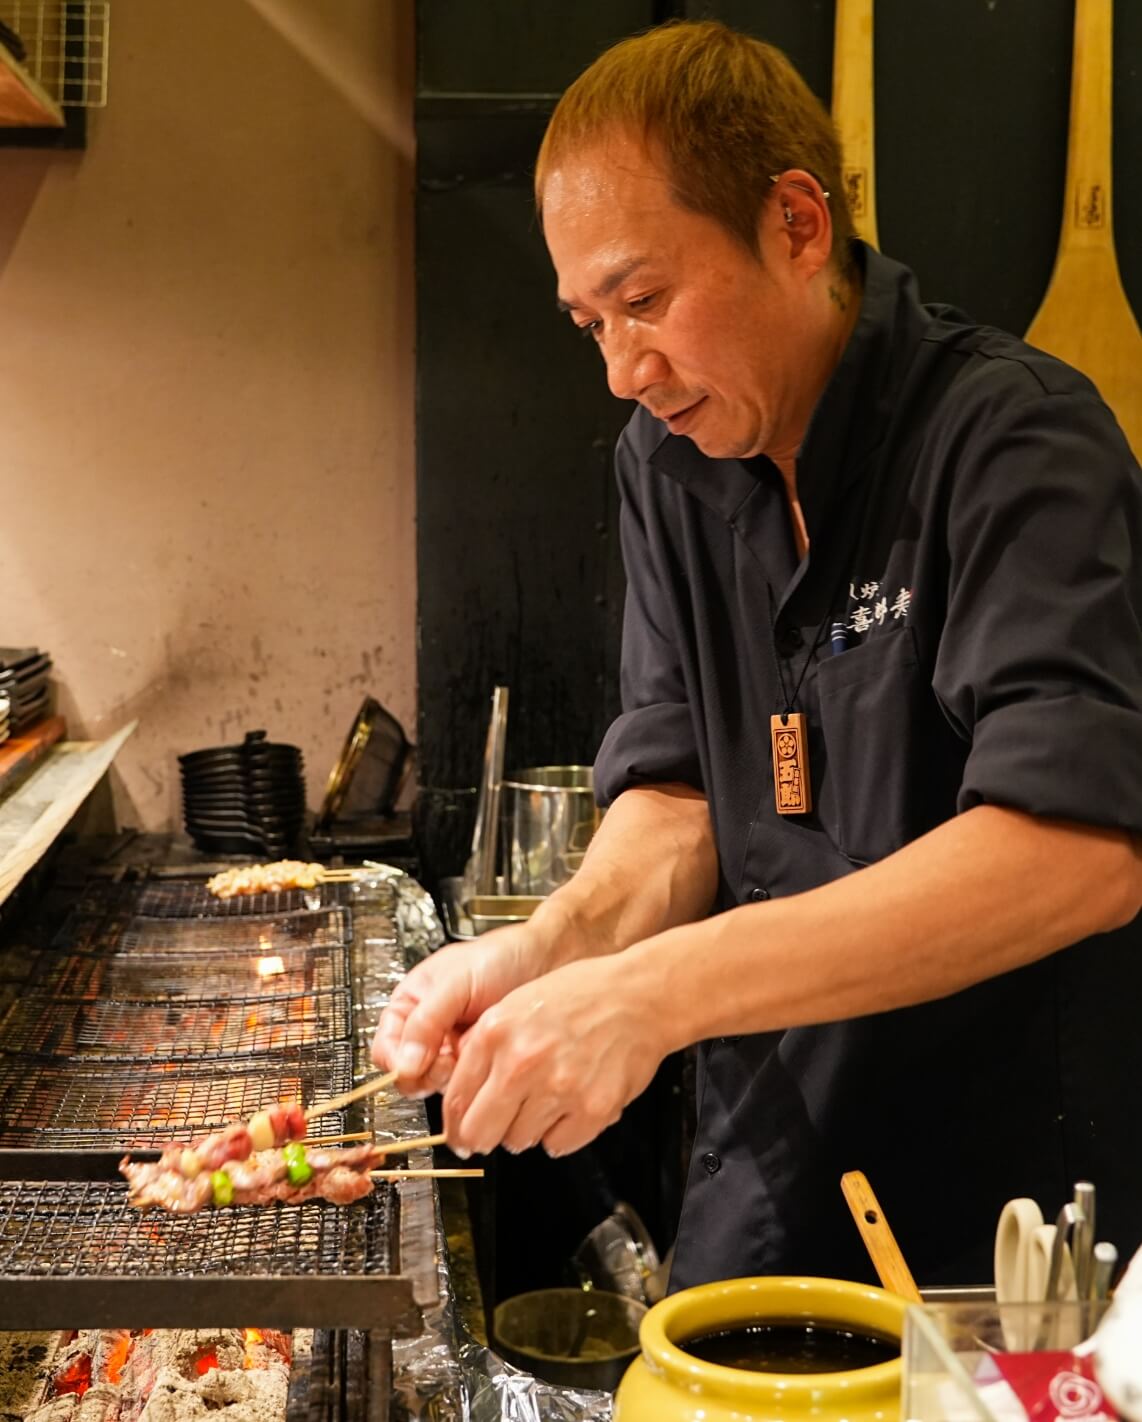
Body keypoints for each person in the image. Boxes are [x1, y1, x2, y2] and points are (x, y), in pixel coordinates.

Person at [373, 20, 1142, 1288]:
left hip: (998, 1223)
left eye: (643, 301)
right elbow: (678, 793)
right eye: (589, 323)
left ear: (795, 224)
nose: (623, 370)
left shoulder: (1013, 440)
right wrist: (552, 949)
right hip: (771, 1168)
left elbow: (1074, 851)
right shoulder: (667, 463)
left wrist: (652, 993)